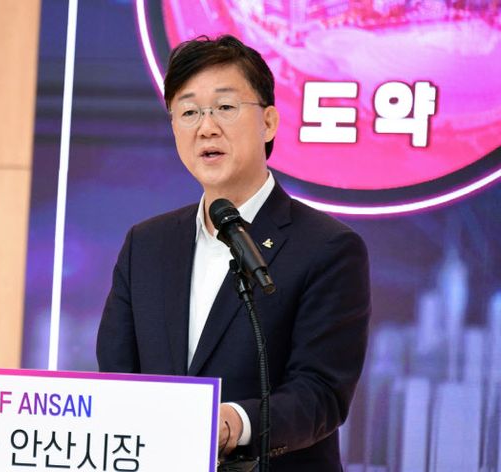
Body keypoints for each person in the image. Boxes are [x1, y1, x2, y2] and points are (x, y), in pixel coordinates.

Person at [97, 34, 370, 471]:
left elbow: (321, 394)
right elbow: (116, 378)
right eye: (189, 112)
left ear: (269, 123)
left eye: (225, 107)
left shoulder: (328, 247)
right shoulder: (145, 245)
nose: (206, 127)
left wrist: (234, 423)